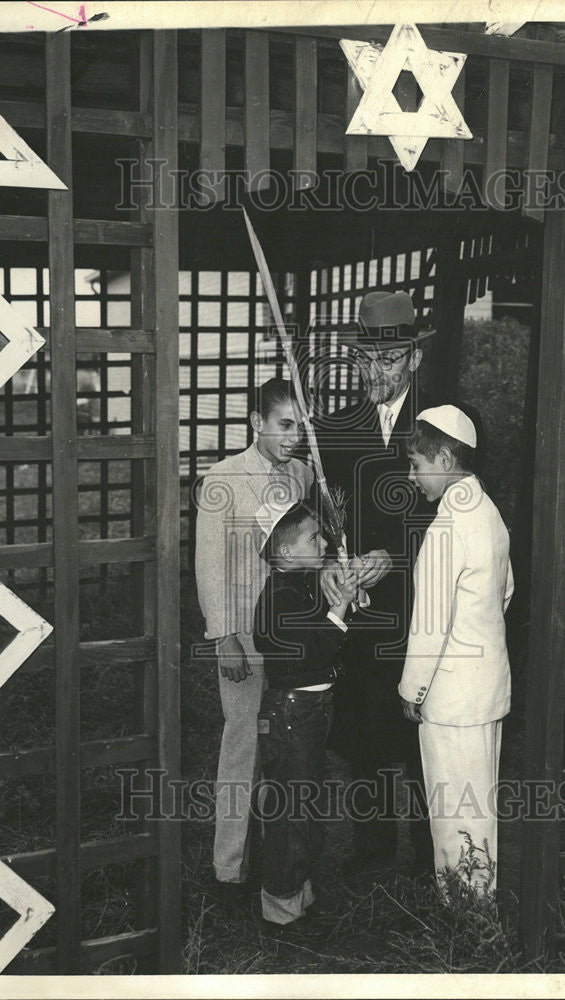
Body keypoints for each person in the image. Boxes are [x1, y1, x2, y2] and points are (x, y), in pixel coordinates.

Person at [315, 290, 436, 872]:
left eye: (388, 361)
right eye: (365, 360)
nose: (375, 372)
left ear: (414, 357)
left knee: (419, 734)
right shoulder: (338, 428)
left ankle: (428, 858)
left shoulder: (445, 425)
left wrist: (395, 555)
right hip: (361, 615)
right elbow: (322, 509)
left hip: (422, 611)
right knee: (365, 732)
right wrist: (330, 565)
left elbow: (455, 516)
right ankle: (371, 852)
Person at [194, 378, 313, 905]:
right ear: (256, 424)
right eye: (285, 425)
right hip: (242, 634)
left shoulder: (305, 477)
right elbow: (208, 566)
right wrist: (224, 637)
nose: (294, 437)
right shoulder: (223, 479)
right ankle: (229, 866)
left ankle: (278, 861)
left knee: (288, 749)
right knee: (243, 742)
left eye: (301, 427)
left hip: (291, 637)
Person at [399, 404, 514, 894]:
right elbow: (506, 590)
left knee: (452, 817)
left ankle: (465, 924)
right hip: (487, 691)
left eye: (417, 464)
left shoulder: (445, 530)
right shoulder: (489, 514)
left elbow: (429, 627)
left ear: (445, 460)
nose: (412, 476)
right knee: (479, 808)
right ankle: (478, 910)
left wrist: (411, 690)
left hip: (450, 702)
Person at [253, 500, 359, 938]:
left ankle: (298, 893)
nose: (326, 542)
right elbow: (310, 648)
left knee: (304, 803)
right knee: (290, 811)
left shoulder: (298, 585)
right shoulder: (279, 596)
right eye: (314, 538)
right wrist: (339, 611)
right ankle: (280, 906)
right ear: (286, 552)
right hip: (292, 714)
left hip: (308, 713)